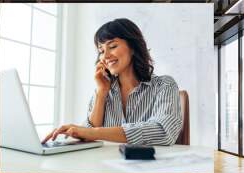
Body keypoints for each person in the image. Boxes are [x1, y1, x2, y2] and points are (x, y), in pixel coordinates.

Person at [42, 18, 182, 146]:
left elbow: (164, 132)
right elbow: (88, 135)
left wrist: (91, 132)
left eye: (113, 46)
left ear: (133, 47)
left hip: (151, 169)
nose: (106, 56)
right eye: (101, 50)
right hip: (106, 167)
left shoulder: (164, 85)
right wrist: (101, 93)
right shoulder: (103, 89)